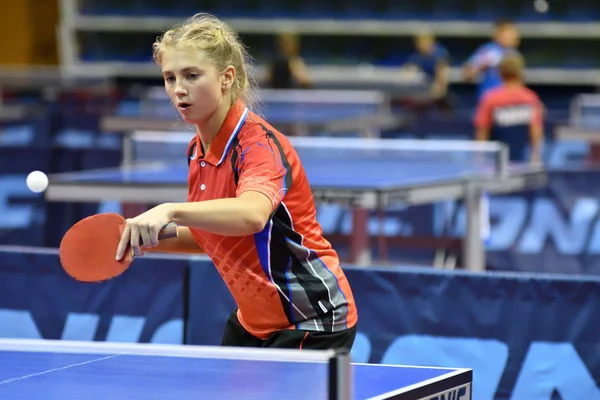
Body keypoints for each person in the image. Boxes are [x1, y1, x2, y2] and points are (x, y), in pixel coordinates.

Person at [114, 13, 357, 352]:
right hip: (253, 323)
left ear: (227, 78)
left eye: (191, 75)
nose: (178, 89)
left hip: (310, 320)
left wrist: (170, 211)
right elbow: (211, 236)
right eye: (169, 78)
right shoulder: (198, 151)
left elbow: (252, 215)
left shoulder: (258, 145)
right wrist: (142, 239)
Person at [473, 53, 544, 164]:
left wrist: (479, 158)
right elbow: (535, 130)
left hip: (495, 164)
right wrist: (536, 157)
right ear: (520, 72)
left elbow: (482, 130)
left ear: (500, 73)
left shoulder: (491, 98)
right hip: (520, 162)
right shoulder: (530, 98)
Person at [463, 19, 521, 100]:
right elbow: (467, 74)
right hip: (489, 99)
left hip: (509, 100)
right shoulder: (488, 51)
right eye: (509, 33)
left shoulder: (515, 54)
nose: (514, 37)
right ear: (499, 34)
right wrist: (482, 65)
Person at [404, 31, 452, 113]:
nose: (418, 45)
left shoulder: (440, 53)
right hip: (423, 89)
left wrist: (437, 90)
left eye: (421, 42)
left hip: (438, 91)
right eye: (417, 43)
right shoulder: (417, 55)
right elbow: (407, 69)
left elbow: (442, 76)